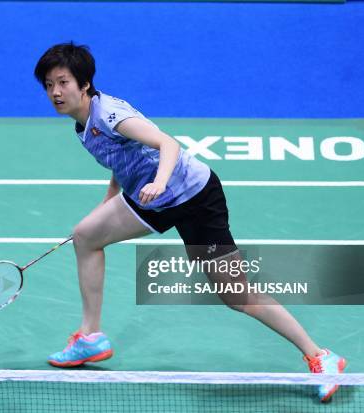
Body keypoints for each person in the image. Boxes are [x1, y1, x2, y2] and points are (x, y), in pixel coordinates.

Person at [33, 42, 346, 402]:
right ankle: (90, 337)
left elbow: (168, 144)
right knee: (85, 235)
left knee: (236, 295)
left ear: (85, 84)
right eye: (48, 85)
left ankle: (321, 356)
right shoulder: (82, 124)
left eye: (63, 82)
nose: (55, 92)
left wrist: (160, 182)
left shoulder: (110, 116)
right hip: (151, 199)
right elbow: (123, 159)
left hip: (193, 196)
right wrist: (110, 198)